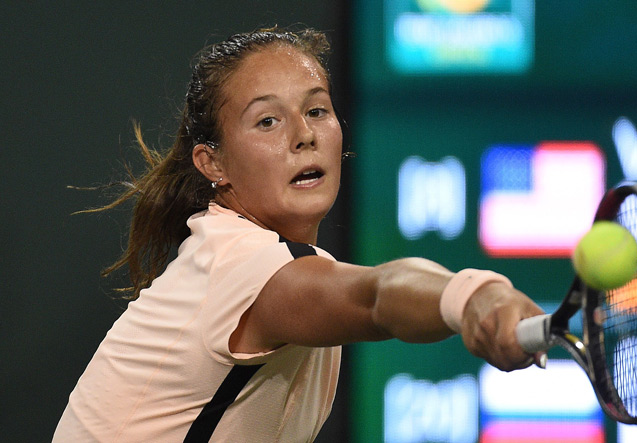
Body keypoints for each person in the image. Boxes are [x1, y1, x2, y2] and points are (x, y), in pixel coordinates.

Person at [53, 26, 545, 442]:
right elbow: (376, 295)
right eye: (267, 121)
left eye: (316, 111)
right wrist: (473, 296)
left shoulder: (266, 258)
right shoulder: (239, 263)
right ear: (213, 162)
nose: (303, 135)